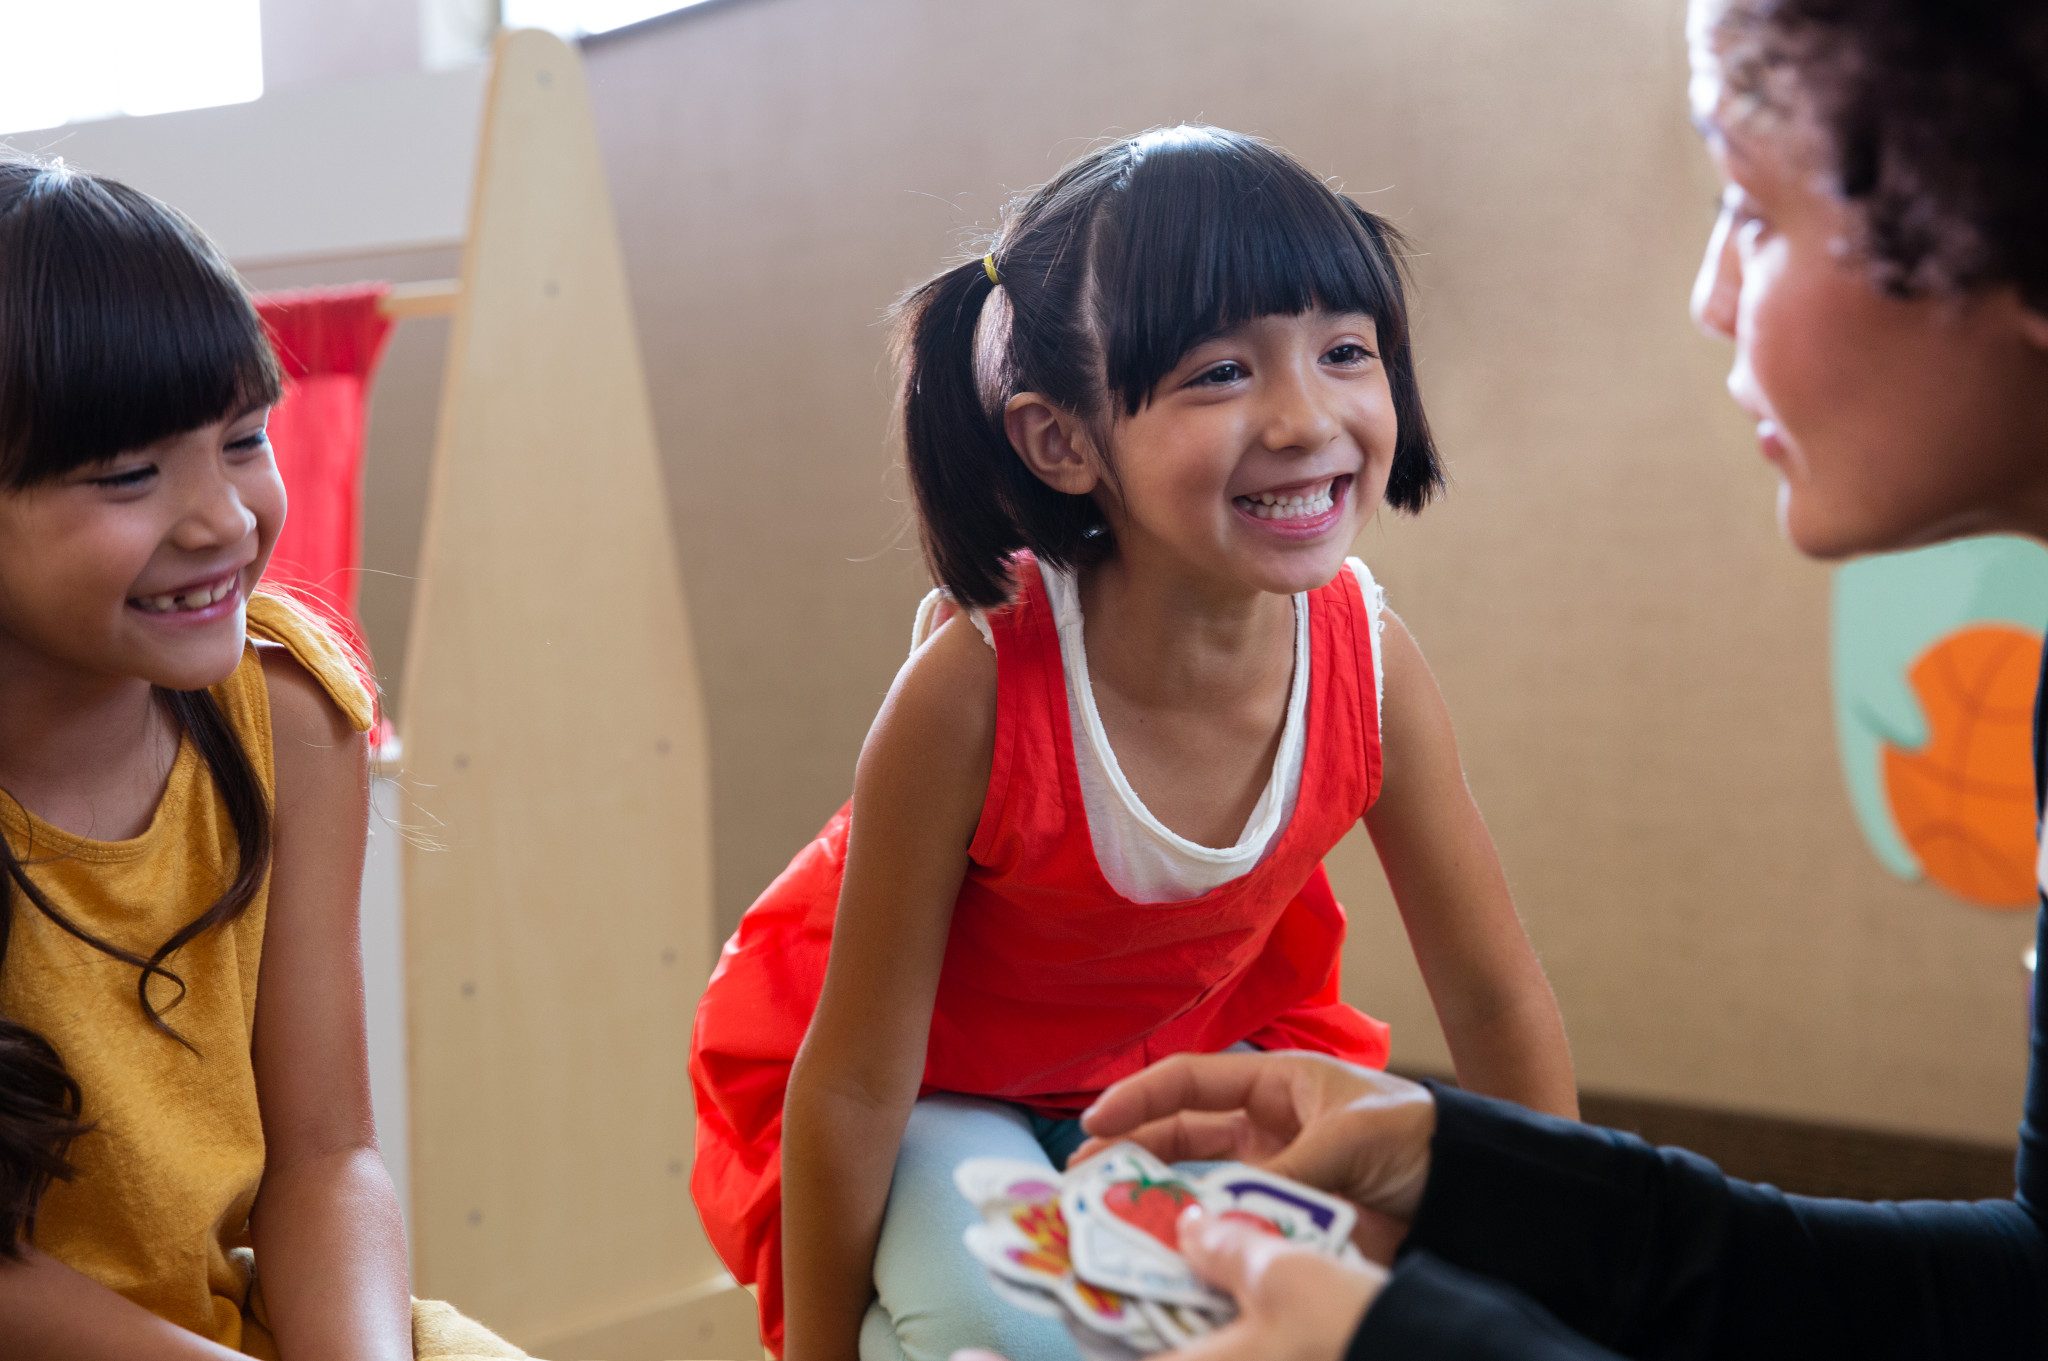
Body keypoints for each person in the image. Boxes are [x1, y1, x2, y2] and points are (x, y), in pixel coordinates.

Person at [1045, 0, 2048, 1357]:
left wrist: (1407, 1342)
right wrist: (1471, 1170)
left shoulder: (1364, 651)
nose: (1711, 294)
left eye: (1750, 210)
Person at [689, 125, 1579, 1361]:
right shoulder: (973, 686)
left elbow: (1490, 993)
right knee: (1009, 1327)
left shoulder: (1367, 662)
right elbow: (850, 1085)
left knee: (1361, 1296)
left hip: (1194, 1072)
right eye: (1220, 373)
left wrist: (1578, 1264)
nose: (1302, 415)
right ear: (1059, 440)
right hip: (951, 1092)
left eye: (1343, 352)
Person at [0, 157, 527, 1360]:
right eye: (129, 474)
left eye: (244, 439)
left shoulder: (282, 704)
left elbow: (329, 1153)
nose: (223, 519)